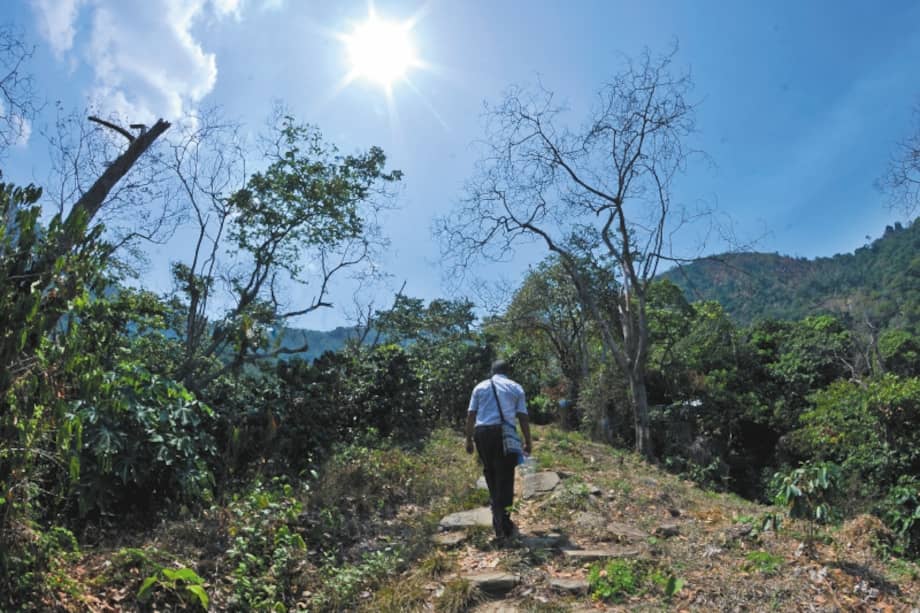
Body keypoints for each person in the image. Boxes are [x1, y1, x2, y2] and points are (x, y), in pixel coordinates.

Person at [465, 360, 532, 541]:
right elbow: (523, 416)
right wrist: (528, 440)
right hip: (504, 434)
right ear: (507, 372)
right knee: (505, 476)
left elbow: (471, 414)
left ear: (492, 371)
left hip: (482, 433)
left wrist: (468, 440)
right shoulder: (515, 387)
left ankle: (497, 517)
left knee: (490, 473)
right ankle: (504, 522)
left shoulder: (480, 387)